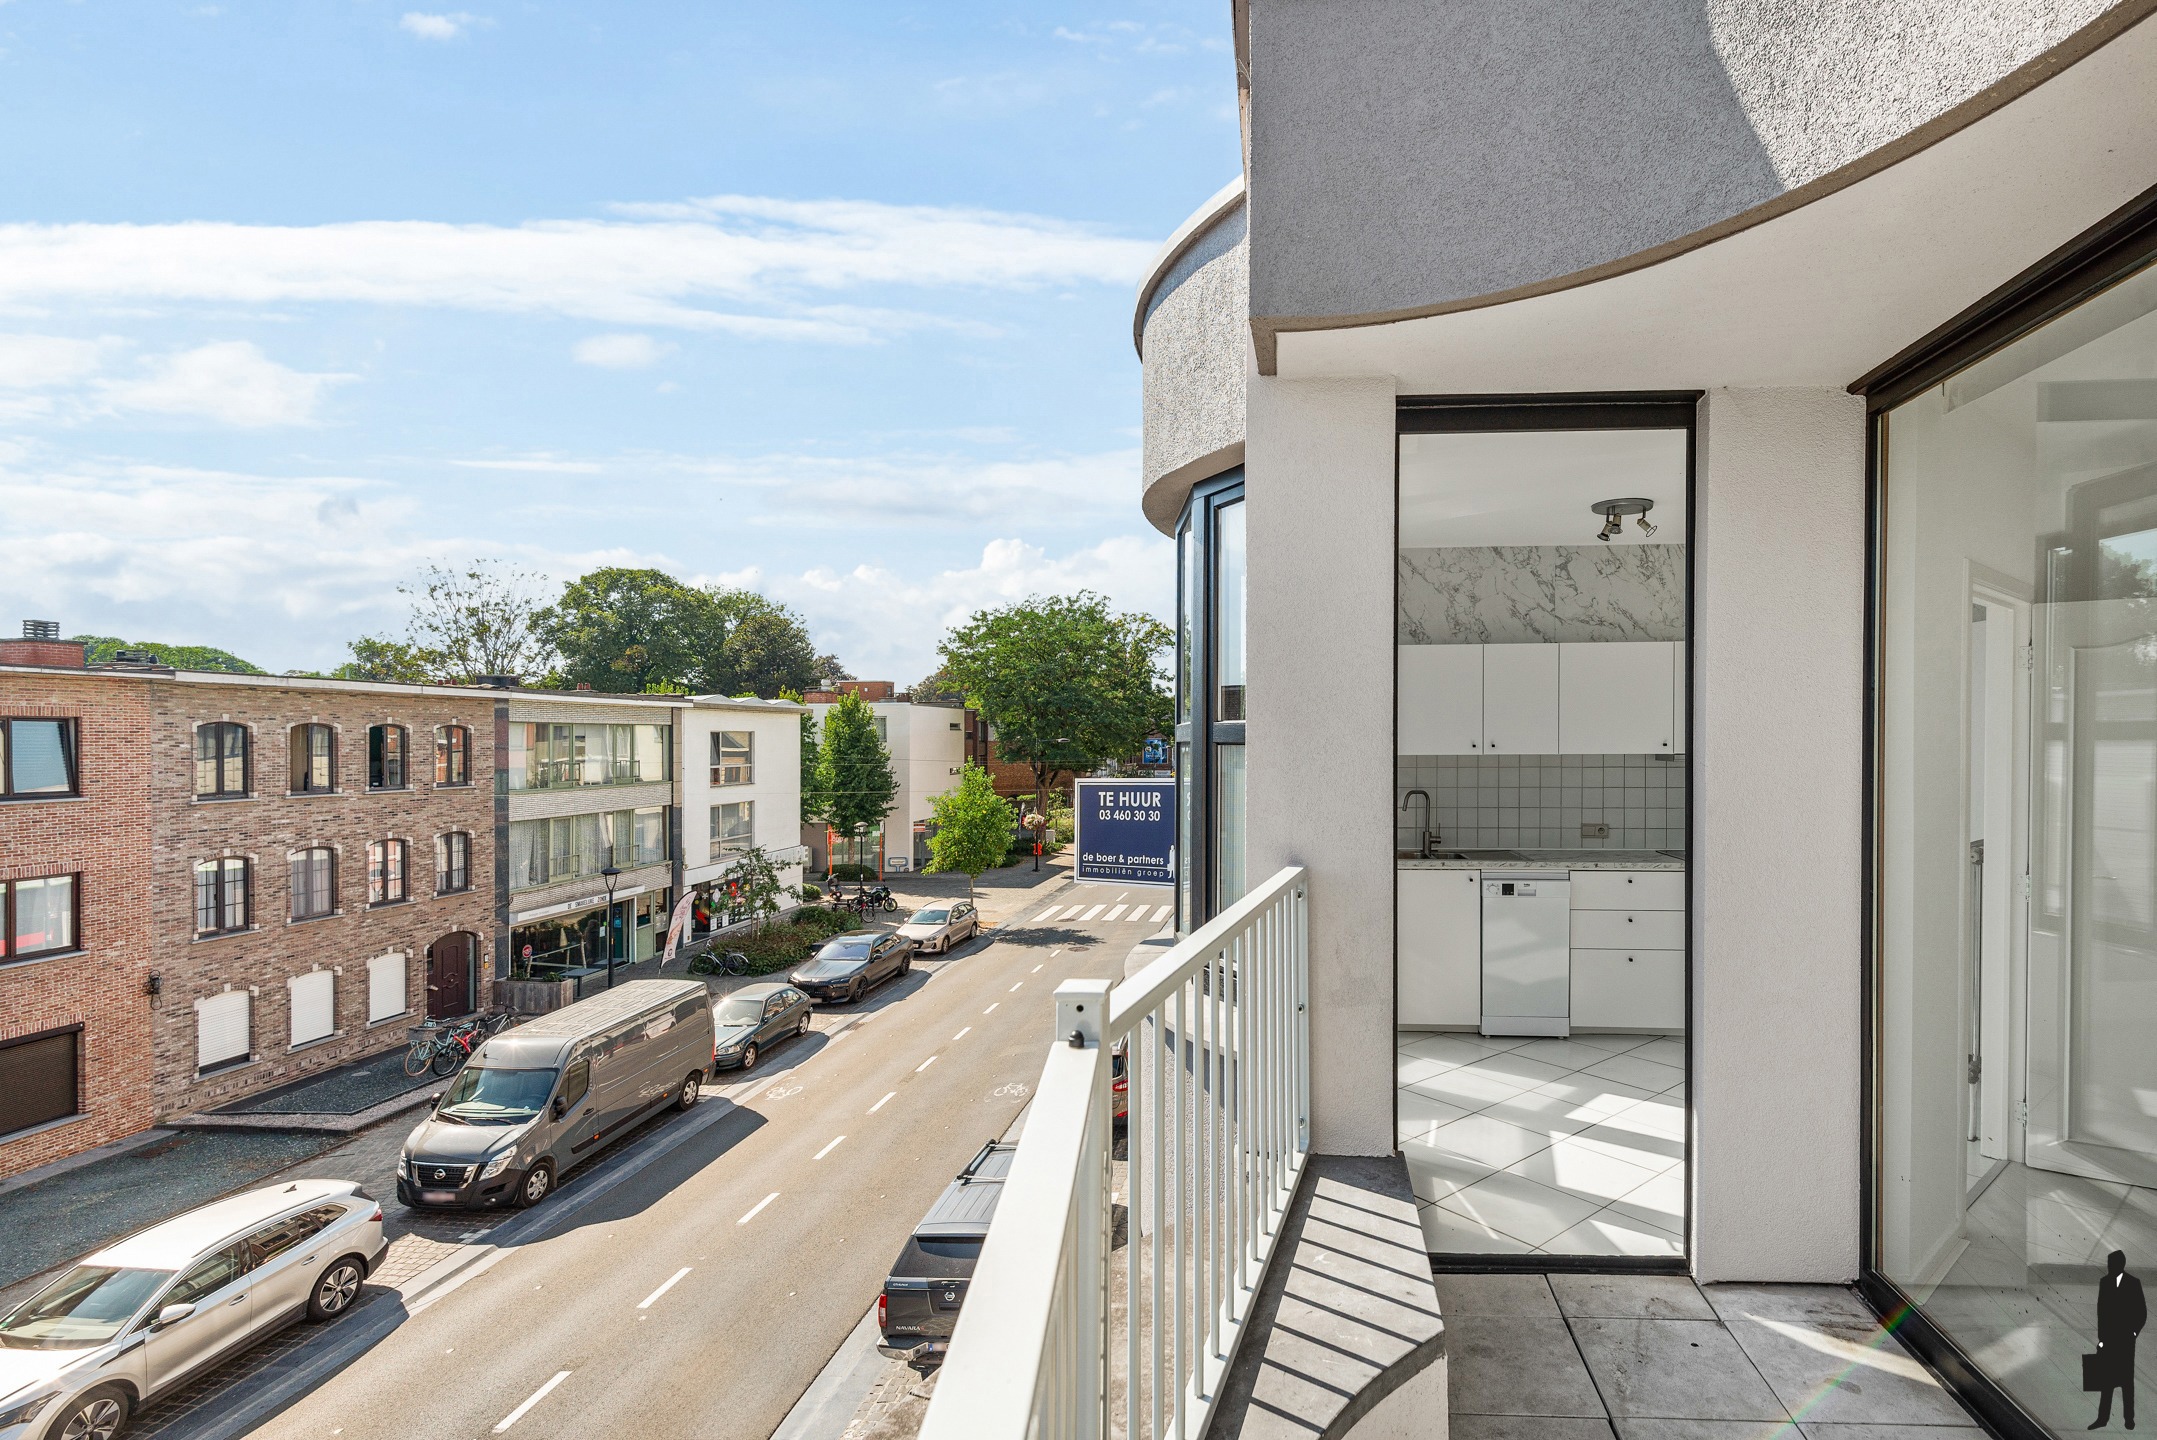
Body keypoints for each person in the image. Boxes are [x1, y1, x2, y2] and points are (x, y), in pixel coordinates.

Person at [2093, 1249, 2145, 1429]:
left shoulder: (2133, 1283)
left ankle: (2128, 1419)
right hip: (2110, 1340)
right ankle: (2103, 1418)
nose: (2108, 1267)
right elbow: (2101, 1312)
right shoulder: (2105, 1282)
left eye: (2110, 1264)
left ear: (2118, 1265)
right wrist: (2101, 1338)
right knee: (2107, 1382)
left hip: (2125, 1342)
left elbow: (2141, 1312)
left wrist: (2133, 1333)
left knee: (2126, 1382)